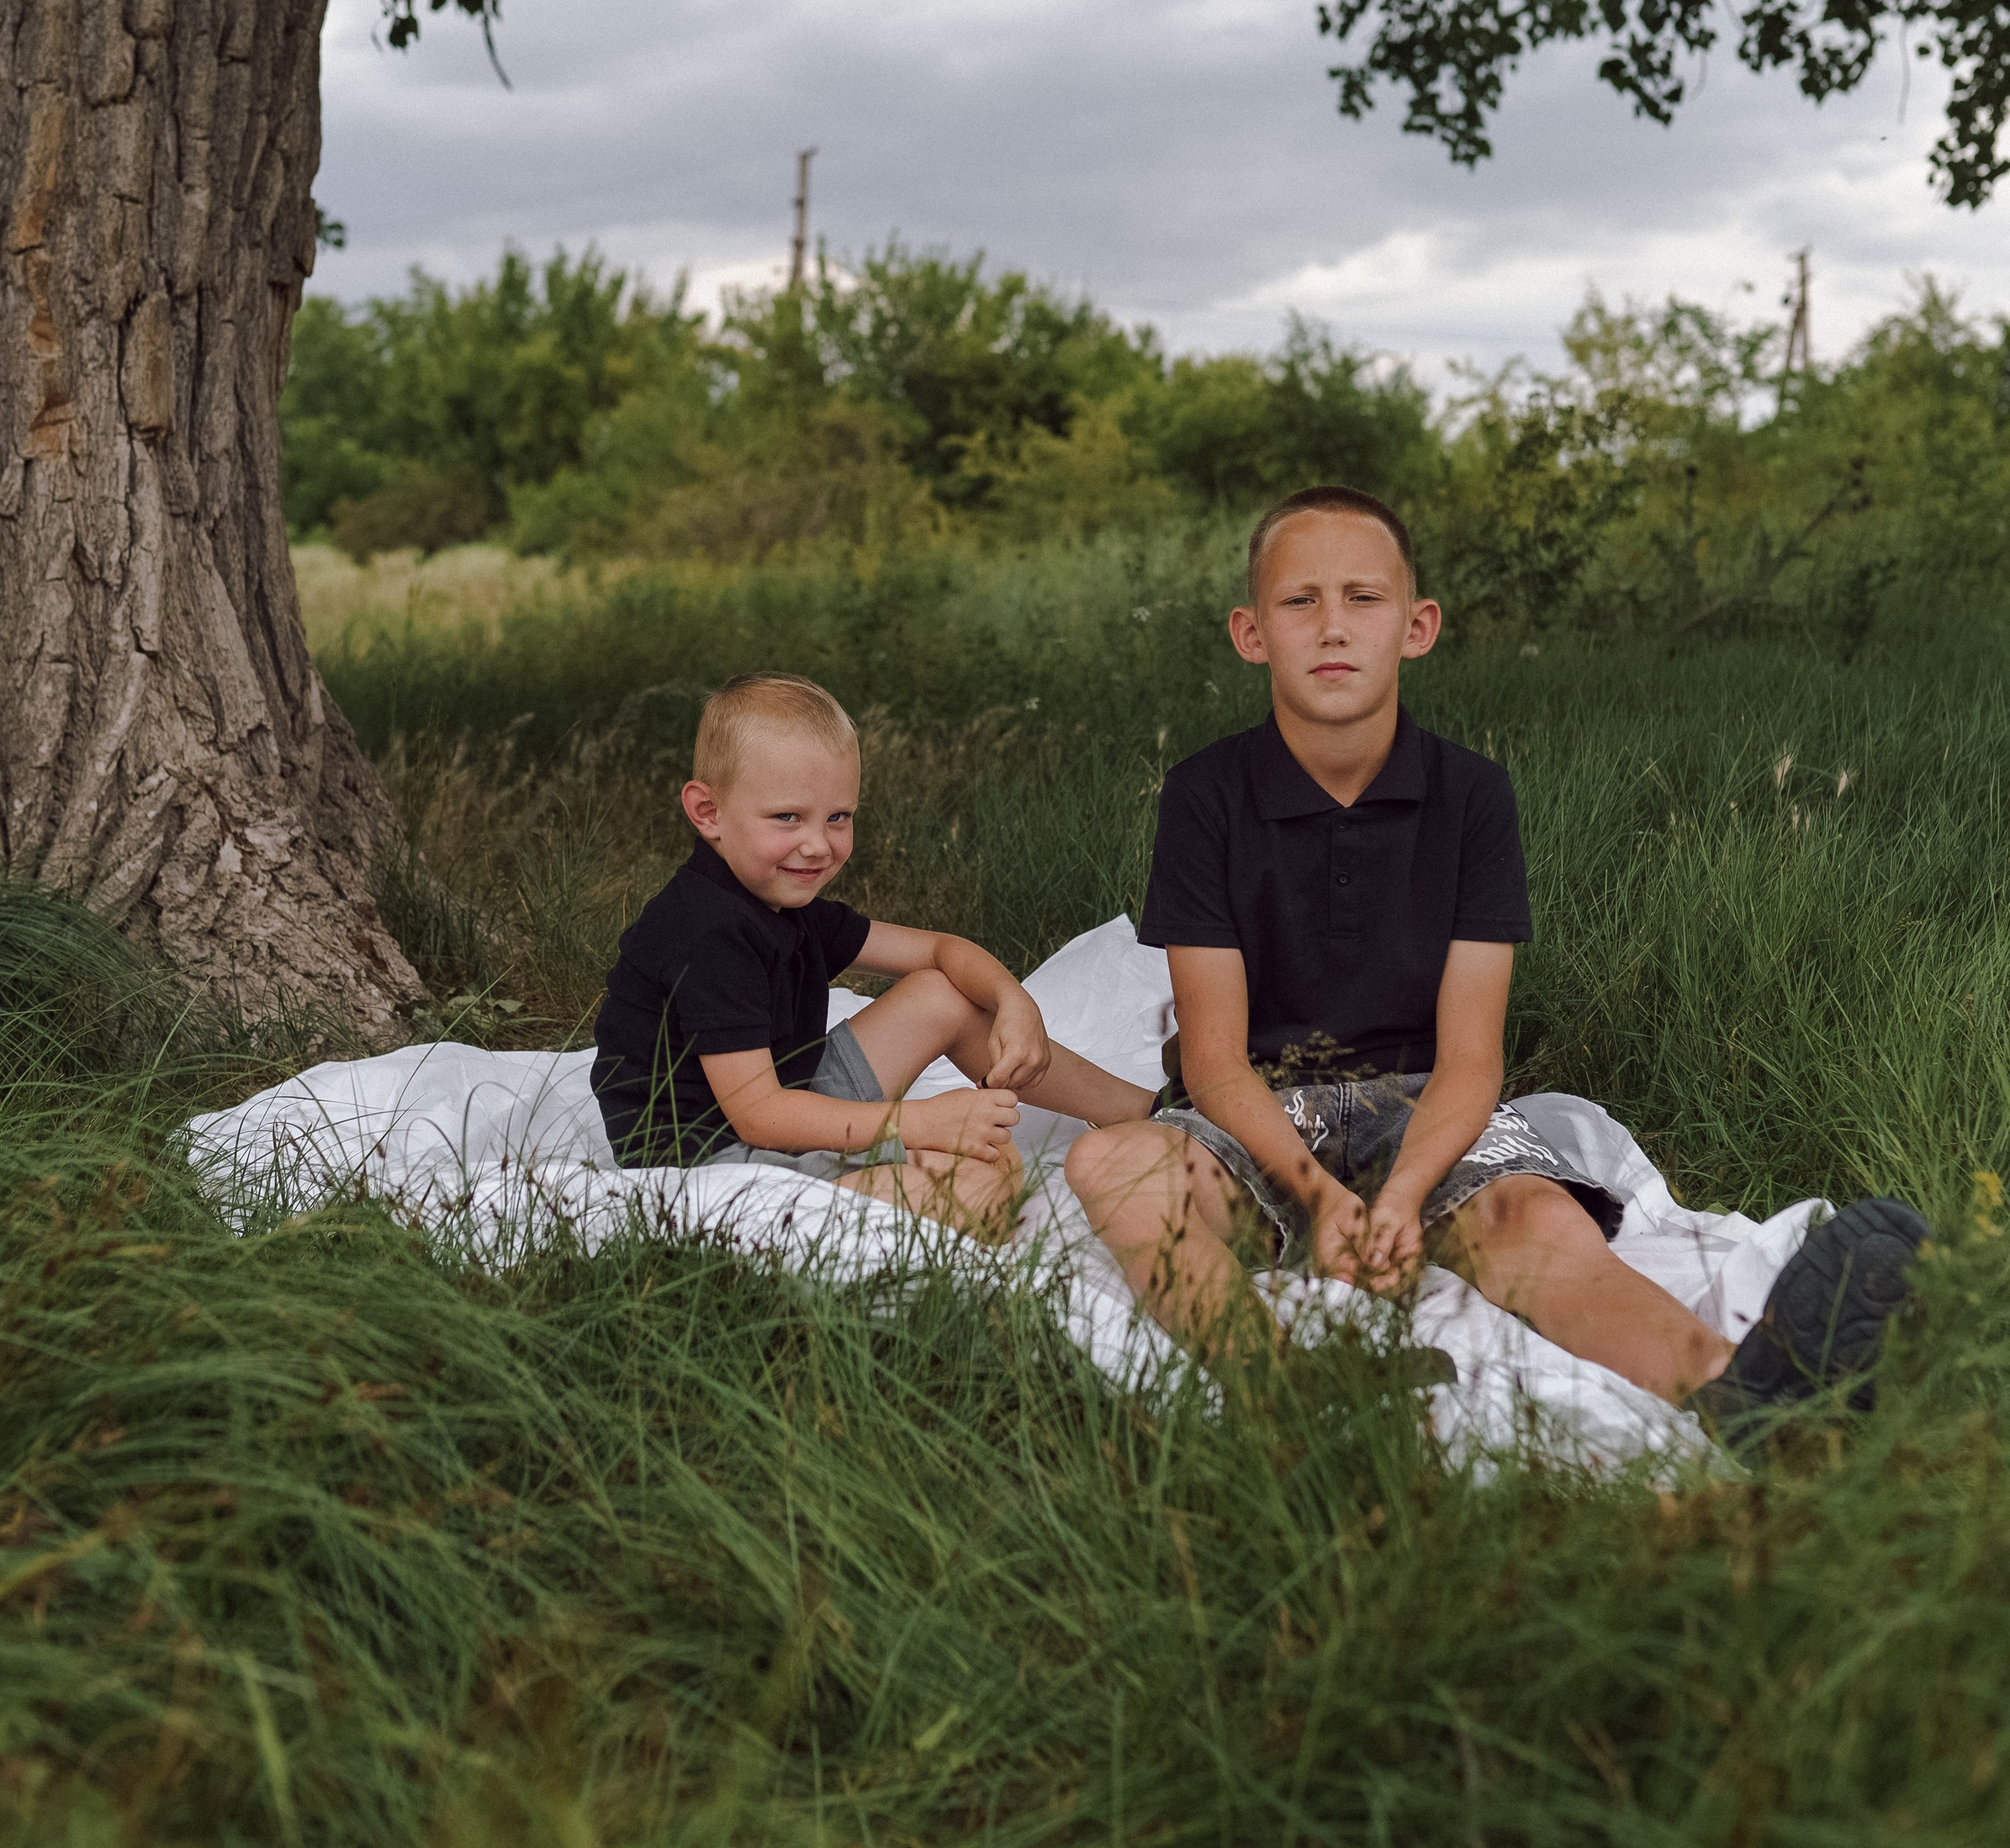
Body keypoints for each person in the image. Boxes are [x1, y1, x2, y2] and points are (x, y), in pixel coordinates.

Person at [1065, 486, 1926, 1438]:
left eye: (1363, 597)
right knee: (1111, 1162)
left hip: (1424, 1106)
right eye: (1299, 600)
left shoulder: (1471, 795)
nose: (1332, 626)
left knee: (1538, 1222)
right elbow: (1216, 1059)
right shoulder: (1204, 794)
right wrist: (1316, 1198)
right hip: (1260, 1115)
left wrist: (1400, 1198)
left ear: (1417, 626)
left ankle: (1741, 1392)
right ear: (1251, 632)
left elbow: (1472, 1054)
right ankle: (1289, 1399)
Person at [594, 670, 1156, 1234]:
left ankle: (1143, 1110)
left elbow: (940, 951)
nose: (818, 844)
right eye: (787, 817)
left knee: (943, 997)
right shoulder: (707, 932)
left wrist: (1014, 1001)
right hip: (709, 1168)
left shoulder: (779, 901)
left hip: (786, 1098)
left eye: (838, 817)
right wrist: (918, 1123)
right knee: (978, 1183)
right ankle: (823, 1214)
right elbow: (760, 1117)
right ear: (708, 812)